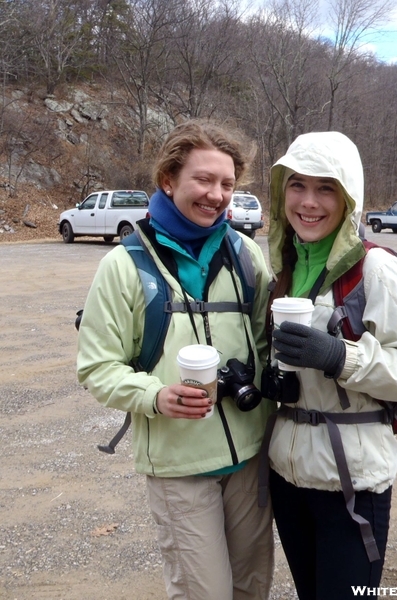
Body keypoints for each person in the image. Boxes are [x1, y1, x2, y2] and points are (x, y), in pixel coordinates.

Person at [77, 120, 274, 600]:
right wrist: (155, 395)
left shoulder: (246, 254)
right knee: (204, 592)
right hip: (178, 466)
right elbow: (97, 366)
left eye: (227, 184)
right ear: (169, 179)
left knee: (252, 587)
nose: (216, 195)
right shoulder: (124, 266)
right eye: (203, 180)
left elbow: (267, 344)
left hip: (249, 459)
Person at [265, 131, 397, 599]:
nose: (308, 202)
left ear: (349, 199)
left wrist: (341, 357)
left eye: (326, 188)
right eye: (297, 185)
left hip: (351, 483)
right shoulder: (283, 266)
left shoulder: (376, 269)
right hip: (287, 477)